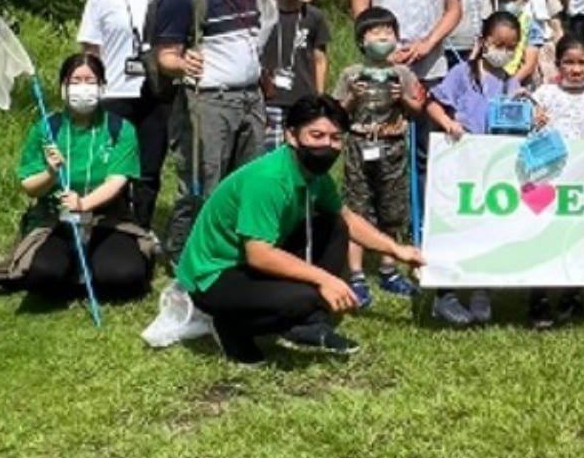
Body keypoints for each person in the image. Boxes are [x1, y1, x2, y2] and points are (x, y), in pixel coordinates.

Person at [174, 94, 425, 364]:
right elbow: (259, 254)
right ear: (292, 136)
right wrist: (325, 279)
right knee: (308, 297)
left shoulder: (313, 174)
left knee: (335, 226)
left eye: (335, 138)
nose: (327, 145)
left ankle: (309, 322)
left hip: (250, 261)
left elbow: (348, 219)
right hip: (214, 275)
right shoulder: (268, 180)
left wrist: (398, 250)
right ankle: (232, 326)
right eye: (316, 135)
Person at [154, 0, 269, 263]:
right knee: (203, 182)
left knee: (247, 181)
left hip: (251, 99)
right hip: (207, 102)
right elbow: (165, 55)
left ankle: (231, 250)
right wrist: (181, 64)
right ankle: (183, 254)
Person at [0, 54, 153, 301]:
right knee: (41, 274)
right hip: (55, 217)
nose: (83, 87)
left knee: (125, 276)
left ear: (102, 86)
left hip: (106, 217)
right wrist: (50, 173)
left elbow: (117, 180)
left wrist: (83, 205)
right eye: (75, 80)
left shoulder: (120, 128)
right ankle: (72, 268)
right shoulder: (47, 128)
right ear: (63, 87)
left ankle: (91, 266)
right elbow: (30, 187)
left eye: (90, 80)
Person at [426, 11, 527, 328]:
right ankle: (446, 295)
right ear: (483, 42)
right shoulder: (461, 74)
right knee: (455, 226)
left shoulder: (511, 81)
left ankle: (482, 289)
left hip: (493, 167)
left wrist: (528, 110)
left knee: (488, 227)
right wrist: (448, 122)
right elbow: (432, 102)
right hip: (460, 162)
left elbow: (518, 121)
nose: (504, 52)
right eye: (499, 44)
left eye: (511, 48)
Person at [76, 0, 170, 228]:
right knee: (110, 166)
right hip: (114, 91)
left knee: (149, 168)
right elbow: (91, 48)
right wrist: (90, 89)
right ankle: (107, 223)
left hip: (155, 93)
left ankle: (141, 228)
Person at [332, 8, 426, 306]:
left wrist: (403, 99)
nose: (383, 37)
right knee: (357, 208)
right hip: (360, 143)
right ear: (362, 40)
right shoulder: (351, 74)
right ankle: (357, 274)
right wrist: (352, 97)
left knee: (392, 208)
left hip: (393, 144)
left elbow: (416, 111)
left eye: (388, 32)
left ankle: (389, 269)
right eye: (375, 32)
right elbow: (336, 113)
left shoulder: (403, 74)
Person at [529, 34, 584, 329]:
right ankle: (538, 298)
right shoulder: (543, 94)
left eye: (583, 63)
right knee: (544, 236)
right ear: (558, 65)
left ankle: (572, 294)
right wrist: (533, 117)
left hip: (582, 183)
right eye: (569, 62)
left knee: (578, 237)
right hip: (547, 180)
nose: (576, 69)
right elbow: (525, 123)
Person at [261, 0, 331, 152]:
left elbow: (320, 59)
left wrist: (319, 96)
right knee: (270, 155)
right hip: (269, 99)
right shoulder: (262, 14)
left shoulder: (314, 17)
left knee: (301, 154)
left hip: (303, 97)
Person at [489, 0, 545, 87]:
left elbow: (529, 65)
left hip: (519, 83)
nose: (507, 4)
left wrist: (510, 85)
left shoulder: (530, 26)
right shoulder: (490, 22)